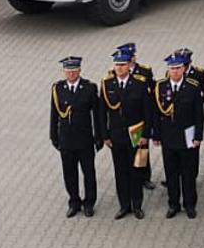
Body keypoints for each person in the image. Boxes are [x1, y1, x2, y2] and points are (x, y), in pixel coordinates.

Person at [150, 52, 204, 219]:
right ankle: (173, 204)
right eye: (172, 68)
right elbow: (155, 114)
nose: (175, 71)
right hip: (168, 138)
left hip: (187, 138)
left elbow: (199, 115)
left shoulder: (193, 87)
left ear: (183, 69)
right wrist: (156, 135)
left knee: (188, 174)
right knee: (171, 174)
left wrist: (198, 136)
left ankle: (190, 204)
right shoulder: (161, 87)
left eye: (178, 68)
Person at [102, 47, 151, 219]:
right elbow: (102, 113)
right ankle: (124, 206)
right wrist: (105, 136)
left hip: (136, 135)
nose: (120, 68)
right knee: (120, 172)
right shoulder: (107, 84)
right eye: (117, 65)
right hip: (116, 136)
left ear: (129, 65)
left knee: (136, 171)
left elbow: (147, 111)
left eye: (123, 64)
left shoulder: (139, 83)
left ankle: (137, 205)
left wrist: (146, 135)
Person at [50, 56, 102, 218]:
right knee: (69, 173)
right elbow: (54, 114)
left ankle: (89, 203)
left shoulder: (89, 88)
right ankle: (74, 201)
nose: (71, 74)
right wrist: (53, 136)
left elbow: (97, 115)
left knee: (89, 173)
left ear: (79, 71)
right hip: (66, 140)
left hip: (85, 139)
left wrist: (99, 136)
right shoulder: (58, 89)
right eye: (68, 71)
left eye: (74, 71)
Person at [106, 42, 157, 191]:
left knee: (142, 152)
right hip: (122, 125)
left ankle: (145, 177)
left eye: (132, 56)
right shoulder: (112, 74)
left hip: (139, 121)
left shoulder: (145, 71)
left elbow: (151, 93)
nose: (132, 59)